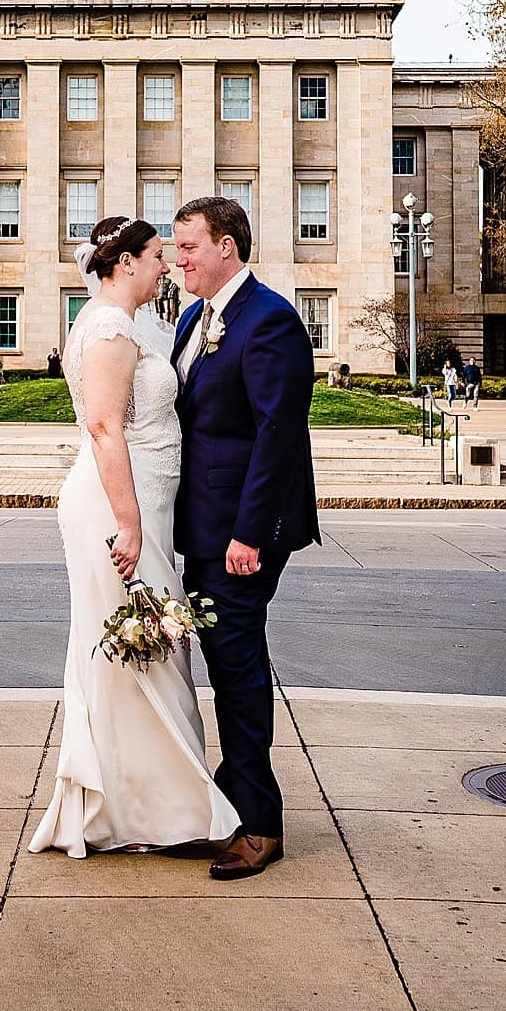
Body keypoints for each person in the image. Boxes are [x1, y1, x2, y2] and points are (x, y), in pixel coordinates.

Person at [29, 217, 239, 860]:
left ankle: (145, 807)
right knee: (141, 652)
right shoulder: (107, 330)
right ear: (124, 263)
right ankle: (159, 812)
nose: (166, 265)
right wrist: (128, 524)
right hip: (118, 509)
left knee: (149, 651)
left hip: (145, 504)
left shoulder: (134, 322)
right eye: (155, 256)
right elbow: (103, 428)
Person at [169, 196, 319, 880]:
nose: (179, 260)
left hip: (242, 533)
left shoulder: (270, 320)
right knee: (229, 661)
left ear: (226, 246)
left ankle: (260, 824)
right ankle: (235, 795)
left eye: (189, 247)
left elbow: (276, 436)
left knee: (237, 668)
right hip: (205, 527)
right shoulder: (194, 319)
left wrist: (250, 535)